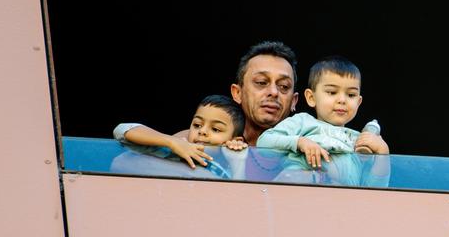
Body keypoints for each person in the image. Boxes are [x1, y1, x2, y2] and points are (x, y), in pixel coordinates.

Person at [113, 40, 300, 180]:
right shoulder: (207, 138)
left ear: (294, 101)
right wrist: (209, 178)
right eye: (261, 82)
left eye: (284, 86)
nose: (274, 92)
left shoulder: (307, 147)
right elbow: (122, 163)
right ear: (237, 93)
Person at [256, 55, 390, 186]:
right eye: (332, 92)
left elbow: (374, 187)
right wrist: (299, 142)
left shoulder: (359, 142)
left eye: (351, 95)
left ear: (358, 102)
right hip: (296, 197)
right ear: (311, 97)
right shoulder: (302, 121)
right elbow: (263, 142)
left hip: (342, 204)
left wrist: (383, 153)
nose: (342, 100)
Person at [113, 94, 247, 169]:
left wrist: (237, 159)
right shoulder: (172, 153)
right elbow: (121, 130)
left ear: (234, 140)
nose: (202, 131)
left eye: (215, 129)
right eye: (197, 125)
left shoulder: (228, 167)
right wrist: (171, 142)